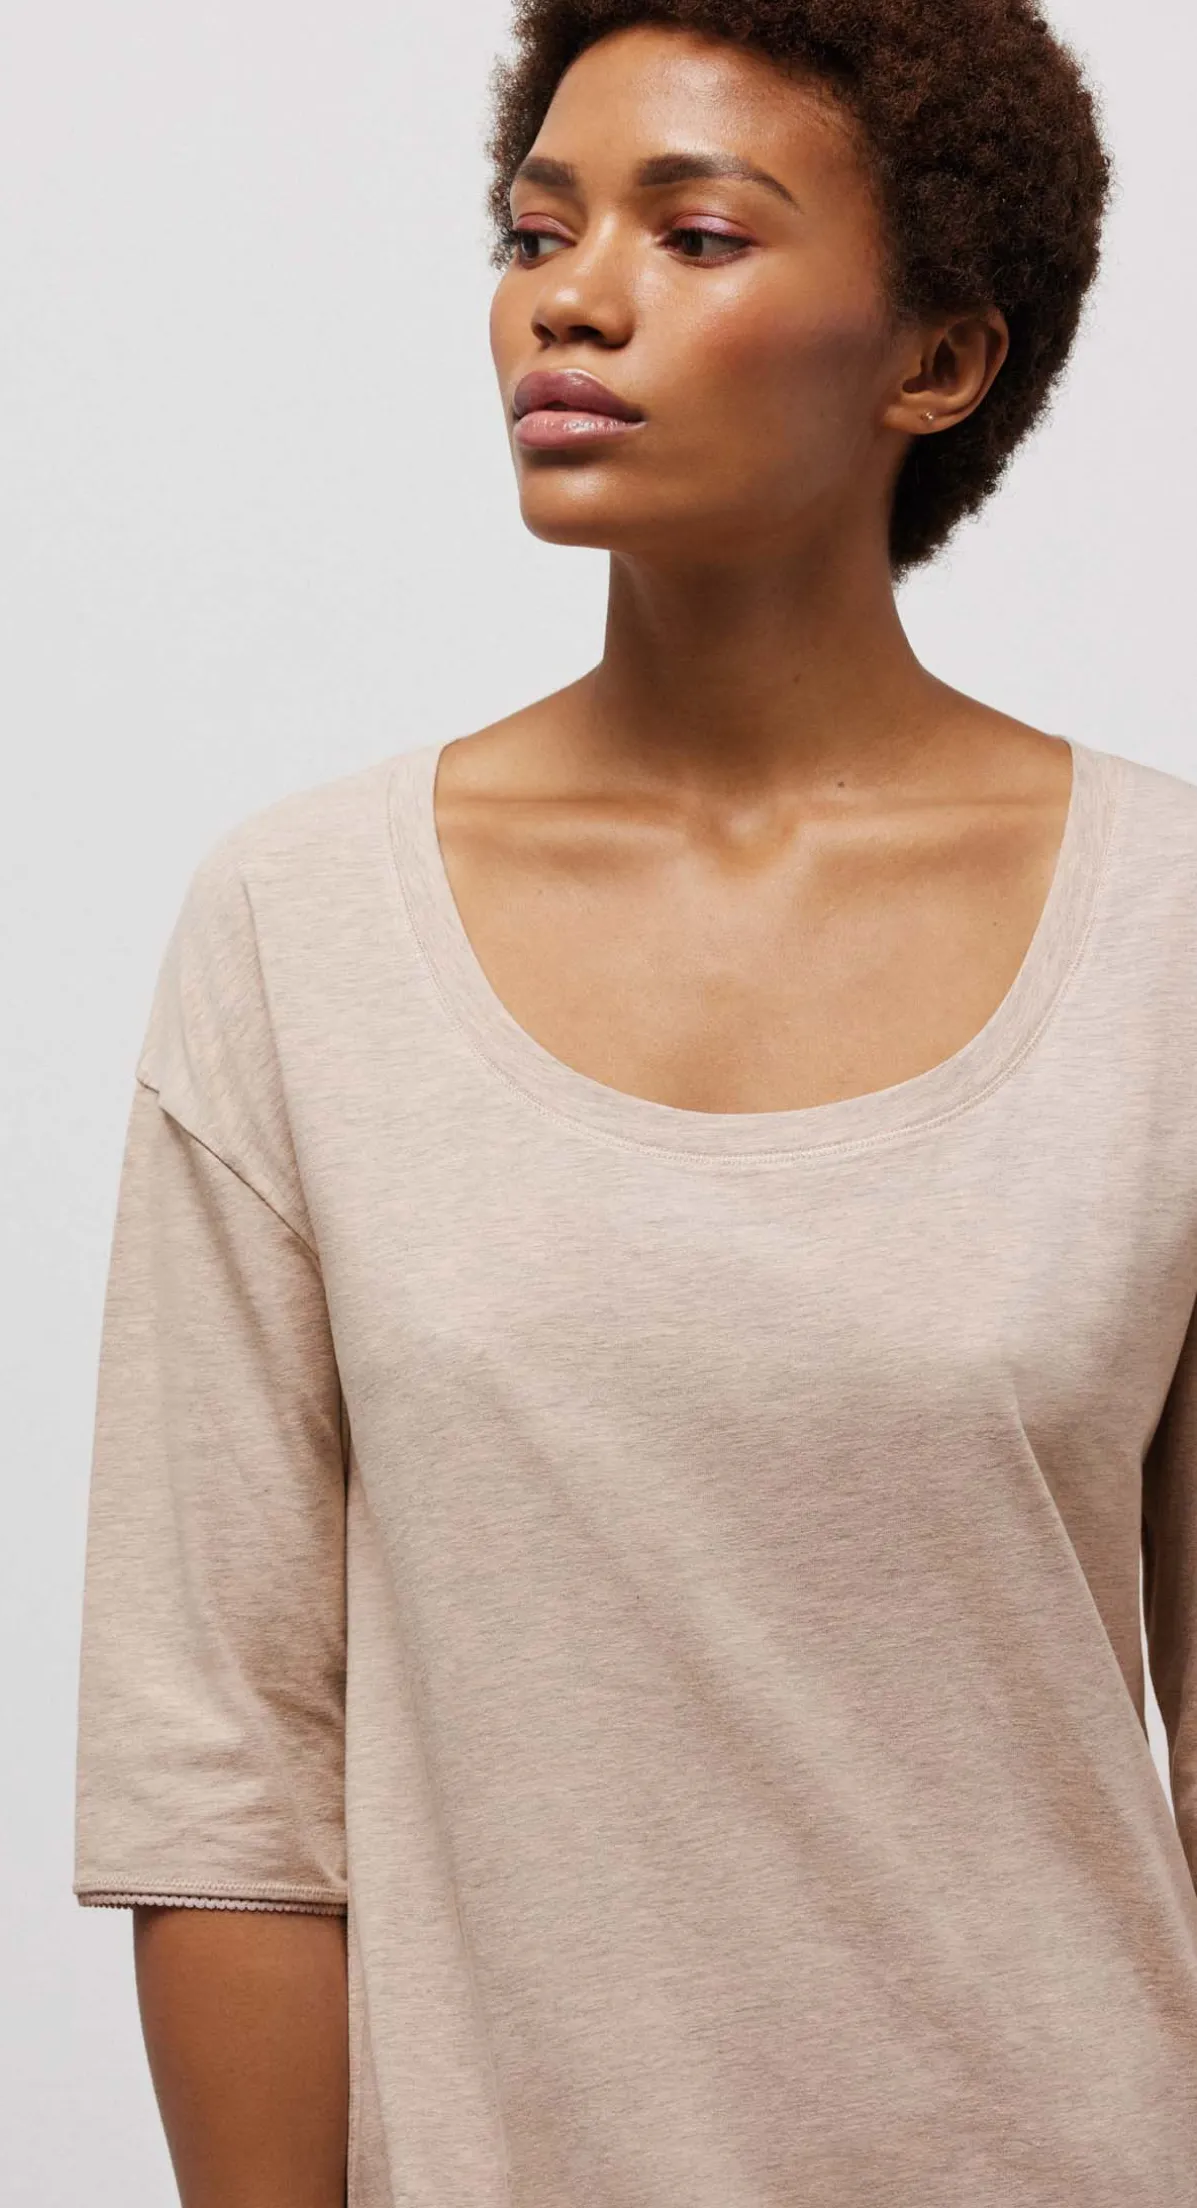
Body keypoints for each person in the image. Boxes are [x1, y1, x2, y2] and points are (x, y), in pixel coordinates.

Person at [72, 3, 1197, 2201]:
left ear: (940, 359)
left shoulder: (1172, 937)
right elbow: (221, 1780)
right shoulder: (303, 930)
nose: (567, 301)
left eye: (694, 235)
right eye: (535, 231)